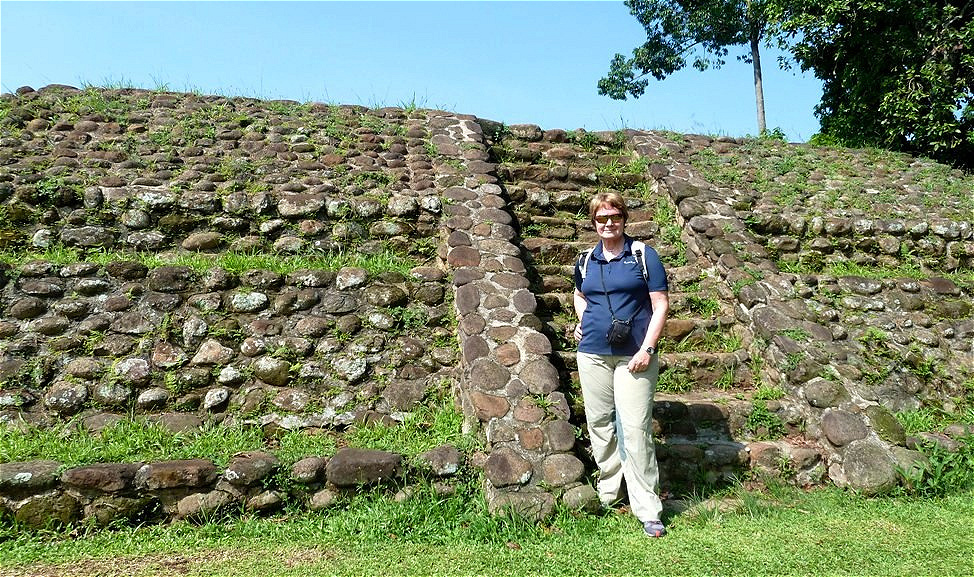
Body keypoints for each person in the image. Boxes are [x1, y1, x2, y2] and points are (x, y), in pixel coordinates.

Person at [572, 191, 670, 538]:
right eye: (601, 218)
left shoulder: (643, 255)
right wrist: (581, 321)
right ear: (594, 222)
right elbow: (580, 294)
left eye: (614, 216)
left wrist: (648, 348)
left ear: (624, 218)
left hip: (635, 355)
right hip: (592, 352)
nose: (608, 223)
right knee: (599, 423)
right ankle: (610, 492)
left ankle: (648, 508)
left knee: (635, 428)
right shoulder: (586, 259)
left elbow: (660, 304)